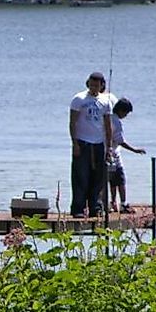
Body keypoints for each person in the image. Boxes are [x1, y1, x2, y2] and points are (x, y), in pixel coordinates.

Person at [69, 72, 113, 218]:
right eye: (92, 84)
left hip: (99, 143)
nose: (94, 87)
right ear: (88, 84)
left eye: (97, 85)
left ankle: (95, 207)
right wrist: (75, 143)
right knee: (80, 176)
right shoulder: (79, 99)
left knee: (98, 178)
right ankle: (78, 208)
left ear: (101, 85)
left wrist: (109, 147)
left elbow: (108, 125)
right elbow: (73, 122)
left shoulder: (105, 101)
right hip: (82, 142)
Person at [107, 98, 146, 213]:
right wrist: (135, 150)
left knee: (112, 181)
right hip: (114, 155)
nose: (126, 115)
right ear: (121, 111)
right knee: (121, 180)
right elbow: (120, 141)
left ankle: (113, 203)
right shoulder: (117, 122)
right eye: (126, 113)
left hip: (106, 154)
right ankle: (123, 204)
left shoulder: (107, 118)